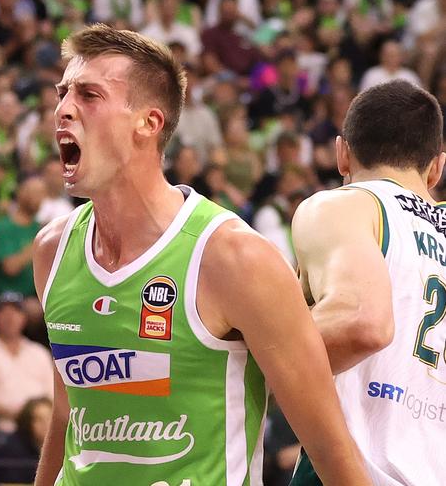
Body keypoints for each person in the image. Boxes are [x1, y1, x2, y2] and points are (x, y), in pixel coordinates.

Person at [33, 24, 370, 485]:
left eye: (89, 96)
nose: (63, 110)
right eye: (62, 93)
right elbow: (67, 414)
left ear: (148, 124)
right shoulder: (52, 251)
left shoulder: (233, 258)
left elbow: (333, 449)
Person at [290, 80, 446, 484]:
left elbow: (361, 322)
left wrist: (244, 349)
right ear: (436, 168)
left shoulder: (345, 205)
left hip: (360, 471)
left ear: (342, 154)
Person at [0, 291, 53, 434]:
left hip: (42, 428)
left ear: (24, 318)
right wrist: (24, 418)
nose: (10, 318)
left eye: (16, 312)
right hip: (3, 429)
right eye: (4, 312)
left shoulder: (39, 353)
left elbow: (52, 397)